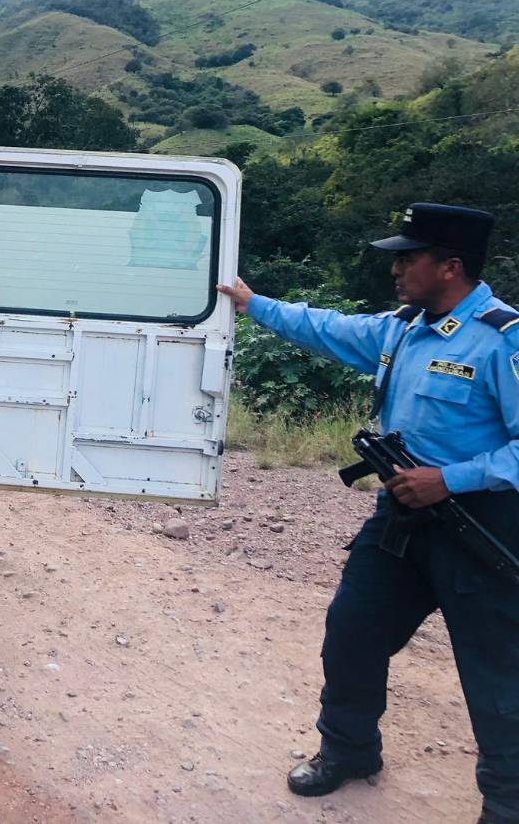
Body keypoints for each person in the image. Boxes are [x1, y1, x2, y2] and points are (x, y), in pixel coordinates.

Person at [217, 203, 519, 823]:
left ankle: (507, 800)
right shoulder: (403, 329)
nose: (397, 269)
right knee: (353, 630)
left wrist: (451, 478)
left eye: (409, 258)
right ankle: (349, 750)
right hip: (403, 516)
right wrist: (252, 302)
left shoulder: (502, 340)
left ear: (450, 267)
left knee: (494, 671)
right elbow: (327, 328)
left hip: (482, 524)